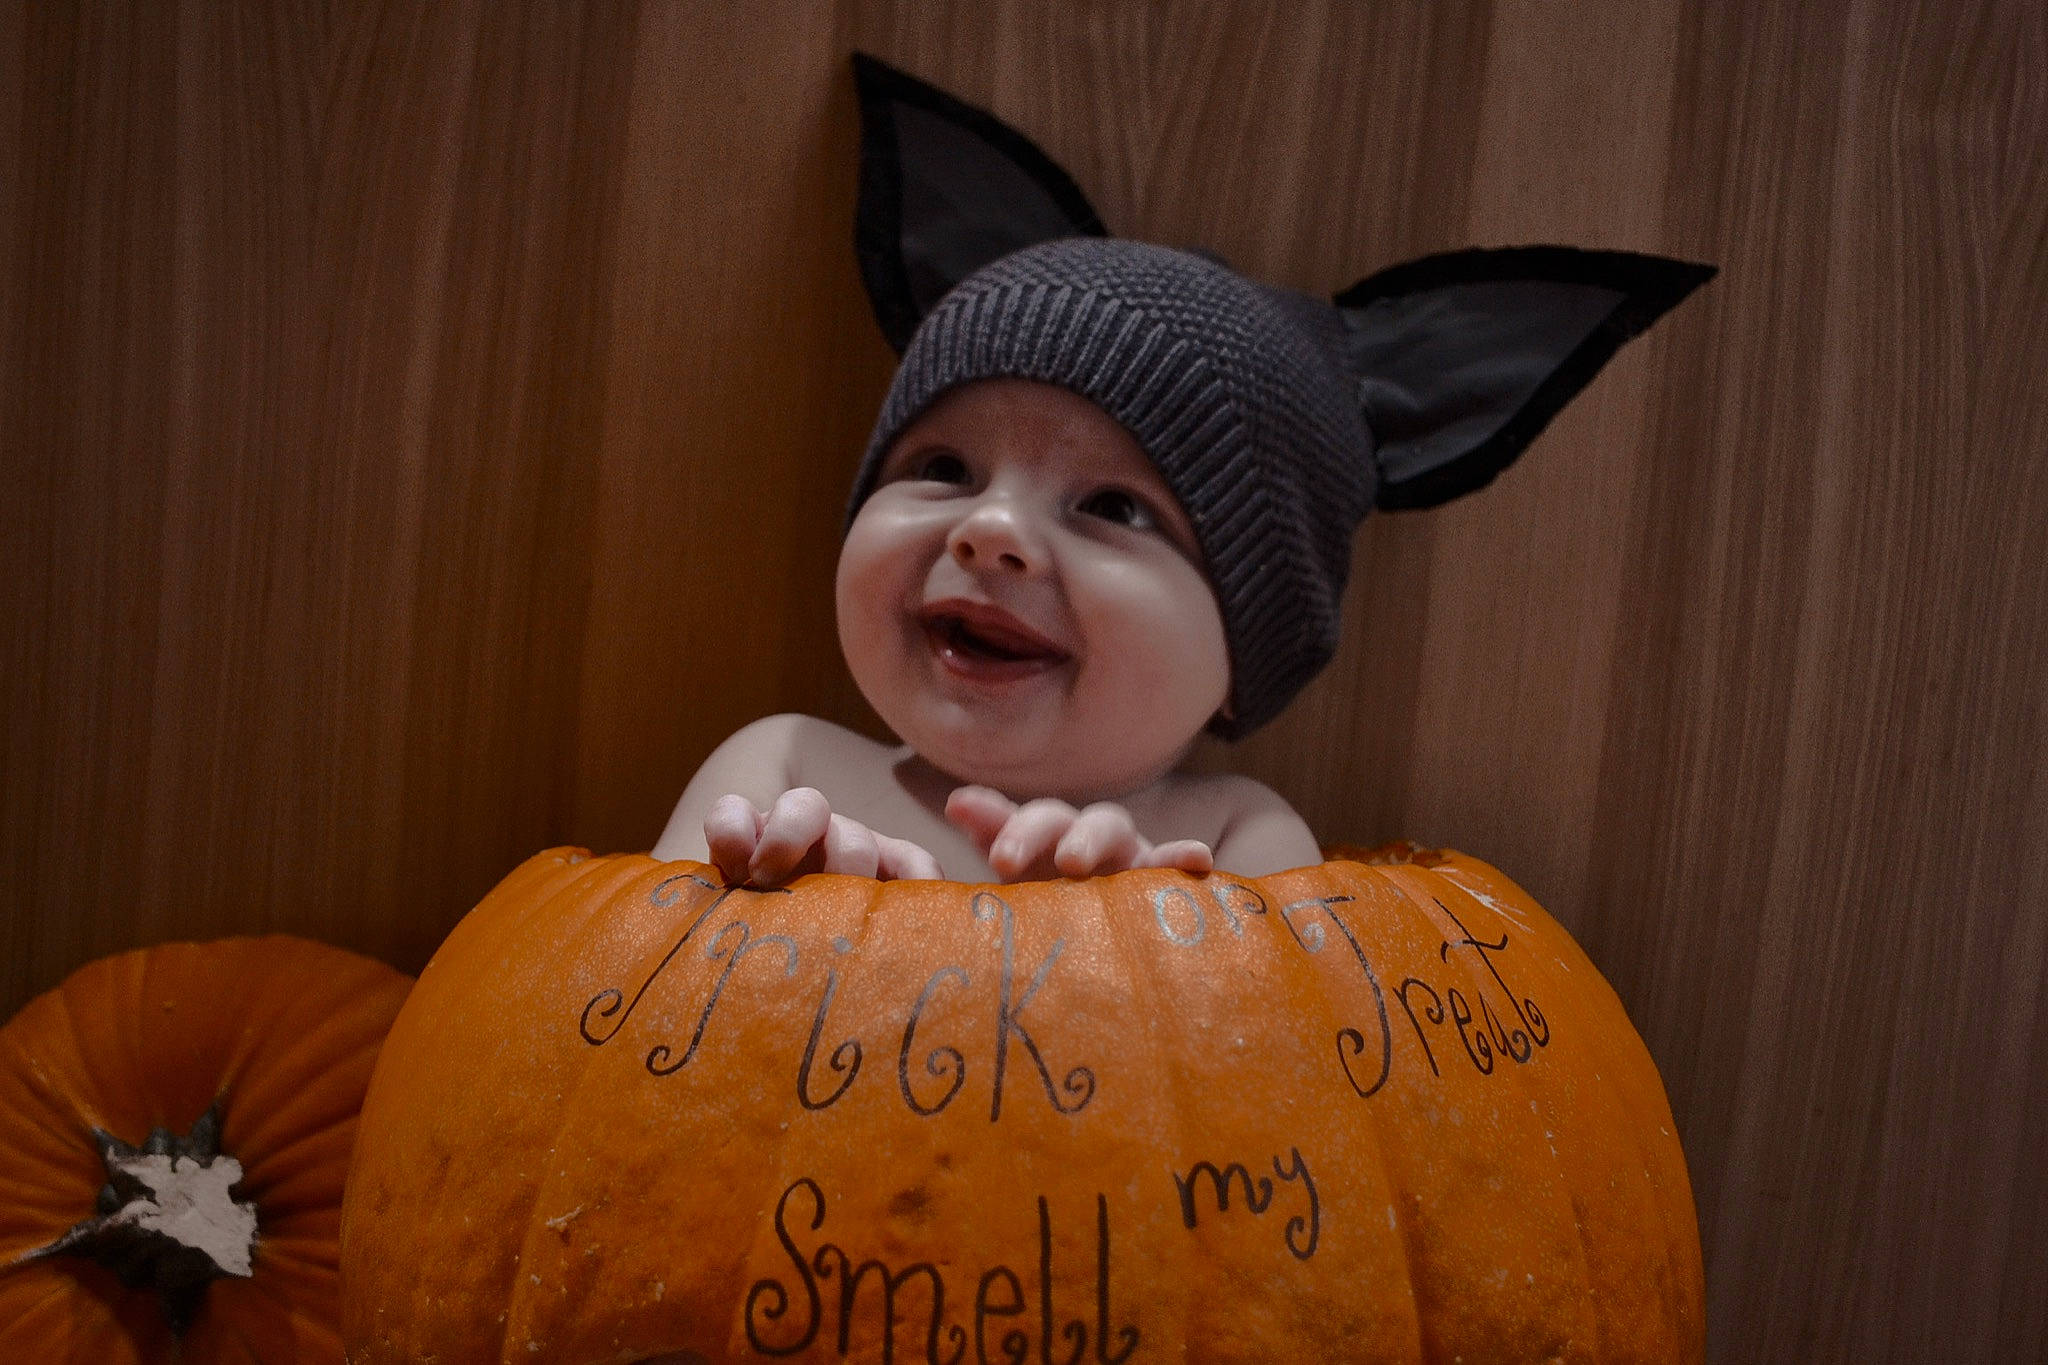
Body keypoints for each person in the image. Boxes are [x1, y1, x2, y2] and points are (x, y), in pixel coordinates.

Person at [650, 57, 1713, 888]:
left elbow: (1290, 1083)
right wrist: (769, 899)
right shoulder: (784, 768)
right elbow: (617, 1018)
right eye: (942, 466)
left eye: (1115, 506)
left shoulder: (1237, 839)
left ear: (1246, 643)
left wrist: (1140, 943)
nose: (991, 529)